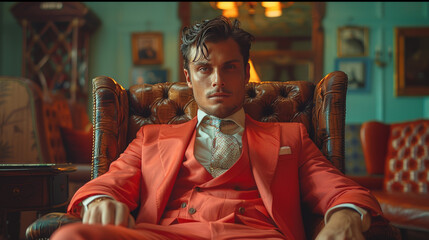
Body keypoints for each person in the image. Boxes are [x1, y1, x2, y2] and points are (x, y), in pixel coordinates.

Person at [51, 16, 384, 240]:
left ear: (245, 72)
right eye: (204, 68)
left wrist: (346, 215)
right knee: (70, 235)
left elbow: (342, 190)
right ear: (188, 77)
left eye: (230, 67)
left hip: (258, 236)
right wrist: (100, 200)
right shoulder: (151, 137)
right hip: (165, 234)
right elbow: (107, 184)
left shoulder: (290, 137)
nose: (218, 80)